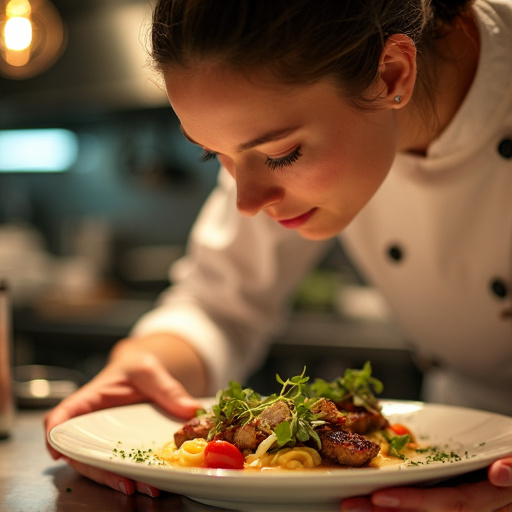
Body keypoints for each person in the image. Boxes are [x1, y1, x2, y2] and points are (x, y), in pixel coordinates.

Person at [45, 0, 512, 509]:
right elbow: (218, 303)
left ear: (391, 73)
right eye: (214, 153)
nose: (245, 202)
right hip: (450, 462)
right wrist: (145, 365)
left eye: (281, 155)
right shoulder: (272, 132)